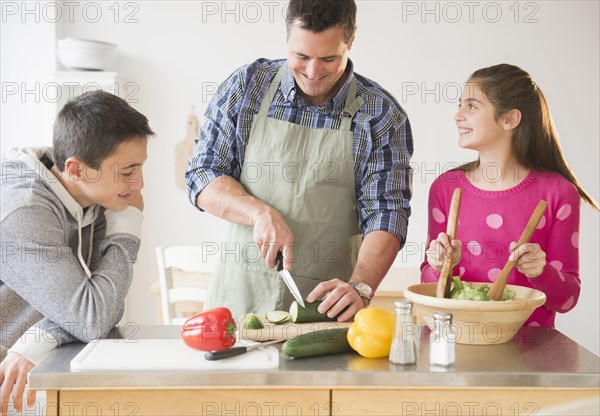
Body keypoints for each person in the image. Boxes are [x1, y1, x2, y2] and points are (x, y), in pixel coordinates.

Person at [185, 0, 413, 322]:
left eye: (329, 58)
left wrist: (361, 286)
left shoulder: (380, 116)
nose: (313, 72)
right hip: (238, 304)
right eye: (301, 56)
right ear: (288, 38)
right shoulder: (248, 86)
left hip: (325, 310)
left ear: (351, 41)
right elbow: (202, 175)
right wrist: (258, 212)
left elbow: (387, 214)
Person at [0, 91, 154, 414]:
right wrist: (127, 228)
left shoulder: (91, 199)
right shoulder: (24, 210)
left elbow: (104, 305)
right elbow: (92, 317)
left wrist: (42, 335)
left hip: (27, 367)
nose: (139, 184)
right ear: (77, 169)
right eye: (127, 172)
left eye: (139, 168)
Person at [422, 63, 599, 327]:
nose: (457, 115)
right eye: (460, 105)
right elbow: (428, 284)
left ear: (510, 119)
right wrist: (440, 266)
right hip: (456, 343)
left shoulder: (558, 192)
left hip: (530, 355)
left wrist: (541, 272)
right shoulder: (446, 188)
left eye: (471, 106)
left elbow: (567, 300)